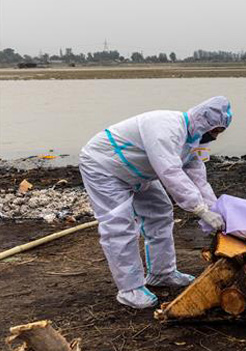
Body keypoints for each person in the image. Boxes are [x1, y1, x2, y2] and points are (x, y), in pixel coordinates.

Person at [79, 96, 232, 309]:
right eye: (214, 131)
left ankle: (162, 273)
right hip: (105, 167)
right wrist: (200, 209)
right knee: (119, 225)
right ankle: (130, 289)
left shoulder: (194, 139)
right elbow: (169, 171)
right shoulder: (166, 127)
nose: (215, 137)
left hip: (139, 172)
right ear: (204, 122)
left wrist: (215, 209)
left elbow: (197, 176)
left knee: (160, 210)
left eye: (219, 133)